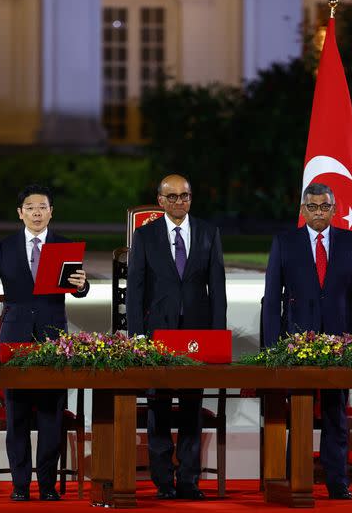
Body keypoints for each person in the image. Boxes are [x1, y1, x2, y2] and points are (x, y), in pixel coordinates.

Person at [0, 184, 89, 502]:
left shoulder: (64, 246)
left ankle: (47, 486)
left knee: (52, 415)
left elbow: (77, 288)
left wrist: (82, 283)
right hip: (15, 339)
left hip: (53, 338)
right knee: (17, 417)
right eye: (30, 207)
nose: (37, 212)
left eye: (42, 207)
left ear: (51, 211)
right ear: (20, 213)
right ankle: (20, 485)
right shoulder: (6, 247)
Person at [262, 182, 352, 500]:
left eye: (325, 206)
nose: (319, 212)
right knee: (300, 410)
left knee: (336, 411)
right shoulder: (285, 242)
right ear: (302, 210)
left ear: (335, 210)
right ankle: (297, 475)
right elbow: (272, 299)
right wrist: (272, 347)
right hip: (298, 342)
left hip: (340, 342)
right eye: (312, 206)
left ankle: (338, 481)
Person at [126, 174, 227, 500]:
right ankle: (163, 482)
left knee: (191, 407)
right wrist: (136, 338)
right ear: (160, 201)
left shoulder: (208, 232)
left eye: (185, 196)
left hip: (197, 335)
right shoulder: (145, 236)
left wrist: (217, 337)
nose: (179, 202)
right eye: (172, 197)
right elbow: (136, 291)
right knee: (158, 408)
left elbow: (218, 291)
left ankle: (188, 480)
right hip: (158, 334)